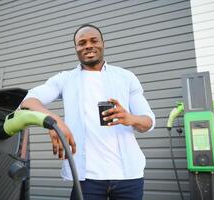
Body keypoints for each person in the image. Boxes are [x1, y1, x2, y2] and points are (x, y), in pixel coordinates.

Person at [21, 24, 155, 200]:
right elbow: (28, 100)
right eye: (82, 43)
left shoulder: (126, 77)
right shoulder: (65, 79)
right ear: (76, 48)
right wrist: (54, 121)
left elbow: (148, 122)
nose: (88, 46)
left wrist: (130, 118)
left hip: (128, 177)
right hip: (87, 180)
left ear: (103, 43)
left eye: (93, 40)